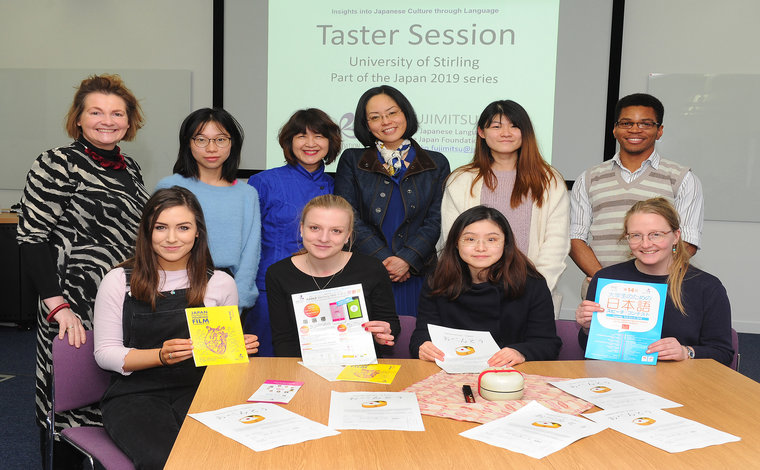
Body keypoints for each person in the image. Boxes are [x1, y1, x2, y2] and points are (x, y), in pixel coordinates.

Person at [16, 73, 150, 466]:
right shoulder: (57, 162)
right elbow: (33, 238)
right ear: (78, 118)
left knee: (113, 386)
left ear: (129, 122)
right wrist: (59, 307)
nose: (107, 120)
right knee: (69, 396)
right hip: (70, 301)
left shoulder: (132, 168)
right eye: (96, 112)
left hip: (120, 299)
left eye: (117, 113)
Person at [94, 187, 259, 469]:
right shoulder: (118, 280)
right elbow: (105, 354)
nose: (172, 238)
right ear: (147, 231)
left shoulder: (220, 282)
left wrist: (235, 350)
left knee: (229, 453)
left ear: (197, 232)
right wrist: (160, 355)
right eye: (161, 228)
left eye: (183, 227)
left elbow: (222, 360)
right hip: (135, 395)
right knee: (167, 460)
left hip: (201, 389)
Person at [570, 93, 704, 295]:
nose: (635, 130)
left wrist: (646, 282)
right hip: (601, 290)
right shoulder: (588, 178)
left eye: (645, 124)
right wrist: (606, 281)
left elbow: (687, 242)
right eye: (626, 123)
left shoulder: (682, 178)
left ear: (659, 131)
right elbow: (575, 239)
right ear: (614, 129)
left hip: (657, 291)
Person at [334, 85, 450, 318]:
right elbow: (347, 216)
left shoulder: (436, 162)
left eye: (392, 113)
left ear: (405, 114)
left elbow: (437, 218)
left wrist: (407, 259)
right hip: (365, 272)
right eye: (375, 117)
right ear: (366, 125)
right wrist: (384, 260)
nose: (385, 121)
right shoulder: (352, 160)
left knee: (416, 346)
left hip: (418, 274)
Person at [575, 197, 733, 366]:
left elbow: (722, 353)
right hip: (616, 379)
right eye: (636, 235)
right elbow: (589, 348)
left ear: (675, 236)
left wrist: (686, 352)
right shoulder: (607, 279)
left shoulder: (707, 287)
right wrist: (587, 328)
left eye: (656, 235)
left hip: (679, 383)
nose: (645, 244)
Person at [440, 99, 570, 292]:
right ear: (481, 132)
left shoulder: (549, 180)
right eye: (496, 126)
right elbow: (452, 238)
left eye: (514, 126)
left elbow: (556, 243)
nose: (506, 133)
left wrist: (535, 291)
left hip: (531, 291)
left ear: (525, 133)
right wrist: (476, 289)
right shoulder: (461, 180)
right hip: (472, 292)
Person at [410, 206, 561, 364]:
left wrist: (520, 352)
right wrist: (424, 346)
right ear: (456, 243)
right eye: (470, 239)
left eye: (491, 239)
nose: (480, 248)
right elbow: (422, 334)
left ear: (506, 243)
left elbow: (548, 343)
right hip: (450, 373)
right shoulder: (438, 280)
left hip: (510, 376)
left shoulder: (531, 283)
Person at [245, 108, 341, 356]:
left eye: (319, 136)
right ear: (289, 142)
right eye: (301, 136)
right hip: (270, 289)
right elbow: (248, 240)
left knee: (321, 361)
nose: (310, 143)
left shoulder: (339, 185)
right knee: (265, 362)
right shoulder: (263, 182)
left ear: (330, 142)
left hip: (324, 289)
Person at [266, 194, 400, 357]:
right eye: (315, 228)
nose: (323, 238)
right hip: (302, 369)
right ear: (301, 229)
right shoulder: (278, 273)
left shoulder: (372, 269)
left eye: (336, 231)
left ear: (347, 236)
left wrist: (383, 333)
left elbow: (391, 323)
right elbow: (283, 340)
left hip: (360, 368)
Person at [156, 108, 261, 315]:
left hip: (226, 293)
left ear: (232, 143)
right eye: (201, 140)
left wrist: (237, 301)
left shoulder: (246, 193)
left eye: (220, 140)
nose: (211, 148)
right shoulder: (169, 186)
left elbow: (250, 253)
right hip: (173, 288)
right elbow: (154, 241)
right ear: (188, 143)